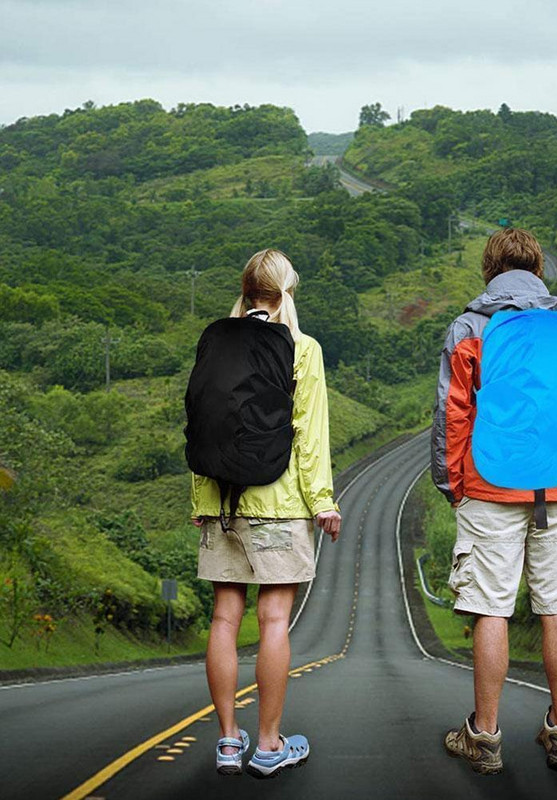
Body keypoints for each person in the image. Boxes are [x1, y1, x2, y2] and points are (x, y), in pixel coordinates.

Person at [431, 228, 557, 775]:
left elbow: (452, 413)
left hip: (490, 485)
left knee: (491, 607)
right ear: (538, 269)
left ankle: (484, 737)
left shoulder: (471, 327)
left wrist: (452, 484)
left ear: (490, 271)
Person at [191, 248, 341, 779]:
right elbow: (309, 434)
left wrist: (200, 499)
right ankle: (270, 744)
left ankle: (228, 741)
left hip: (221, 501)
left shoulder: (215, 341)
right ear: (286, 292)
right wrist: (322, 502)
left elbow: (201, 420)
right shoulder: (301, 347)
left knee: (223, 619)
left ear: (246, 290)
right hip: (278, 504)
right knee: (274, 620)